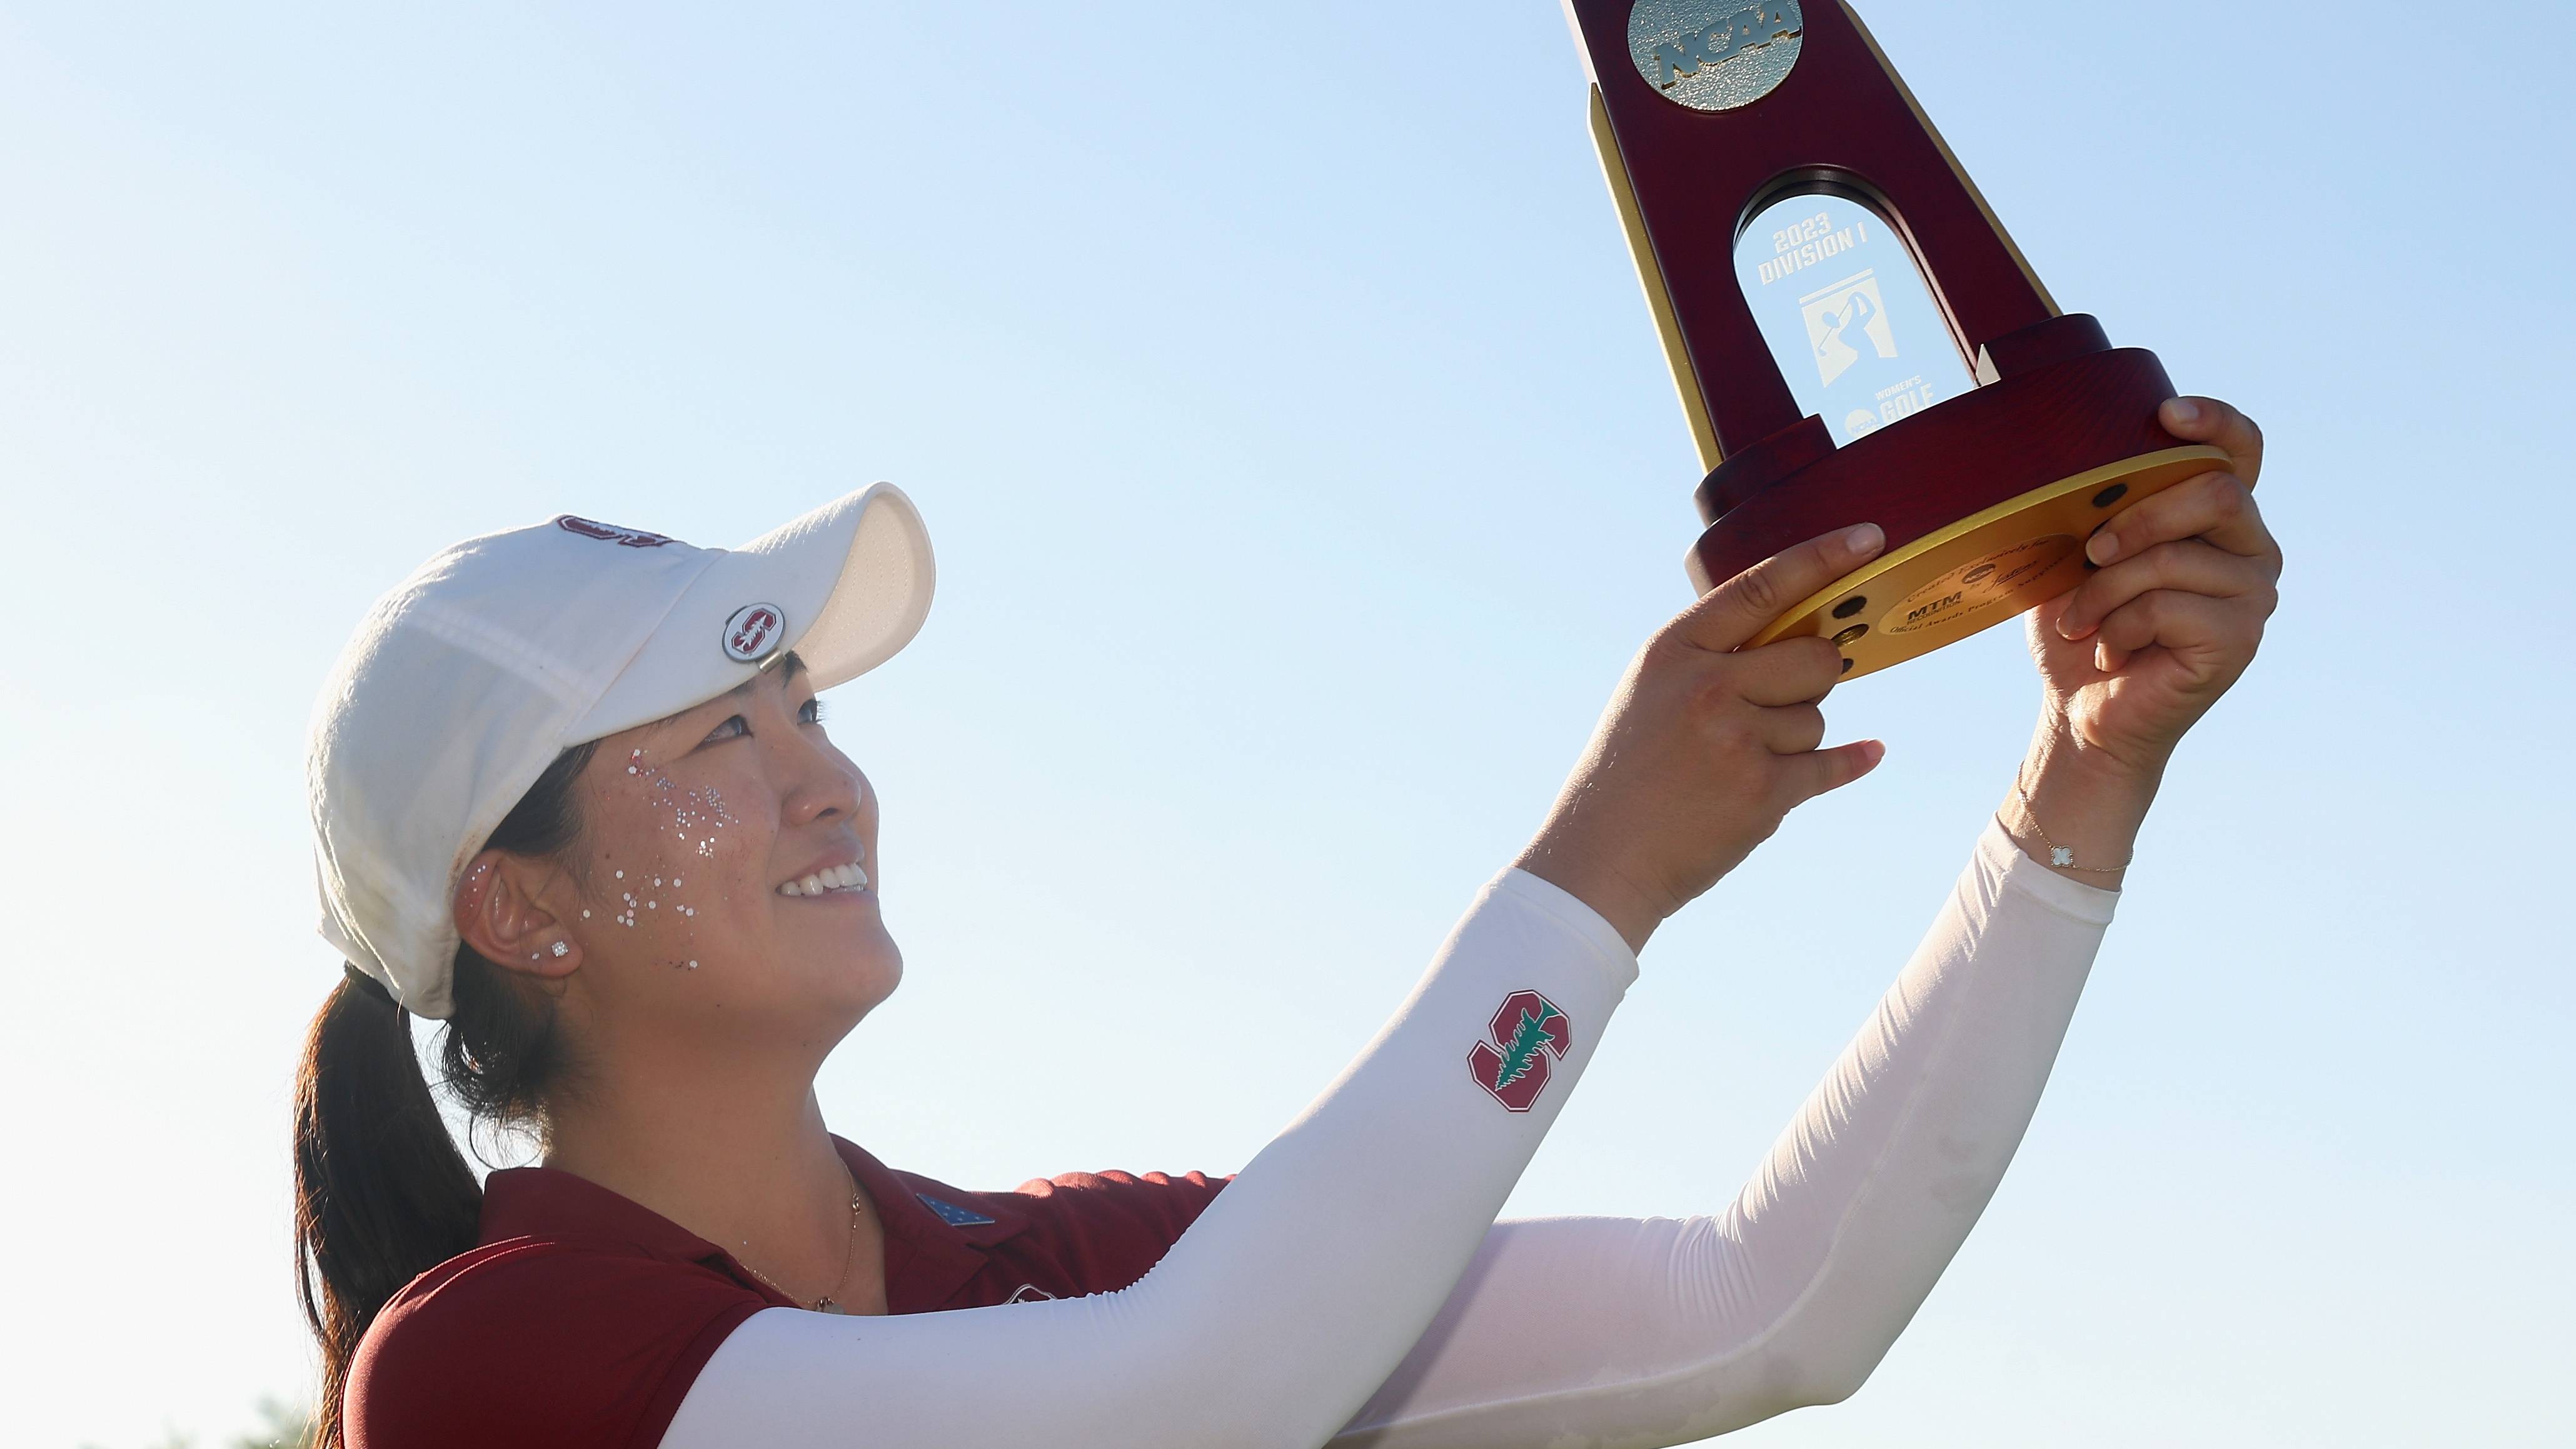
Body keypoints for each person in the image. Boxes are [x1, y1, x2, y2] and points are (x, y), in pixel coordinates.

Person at [293, 397, 2278, 1449]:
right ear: (521, 907)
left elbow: (1767, 1308)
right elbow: (1198, 1397)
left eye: (809, 709)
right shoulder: (485, 1366)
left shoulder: (1061, 1263)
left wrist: (2081, 781)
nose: (829, 780)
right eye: (721, 733)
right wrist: (1602, 870)